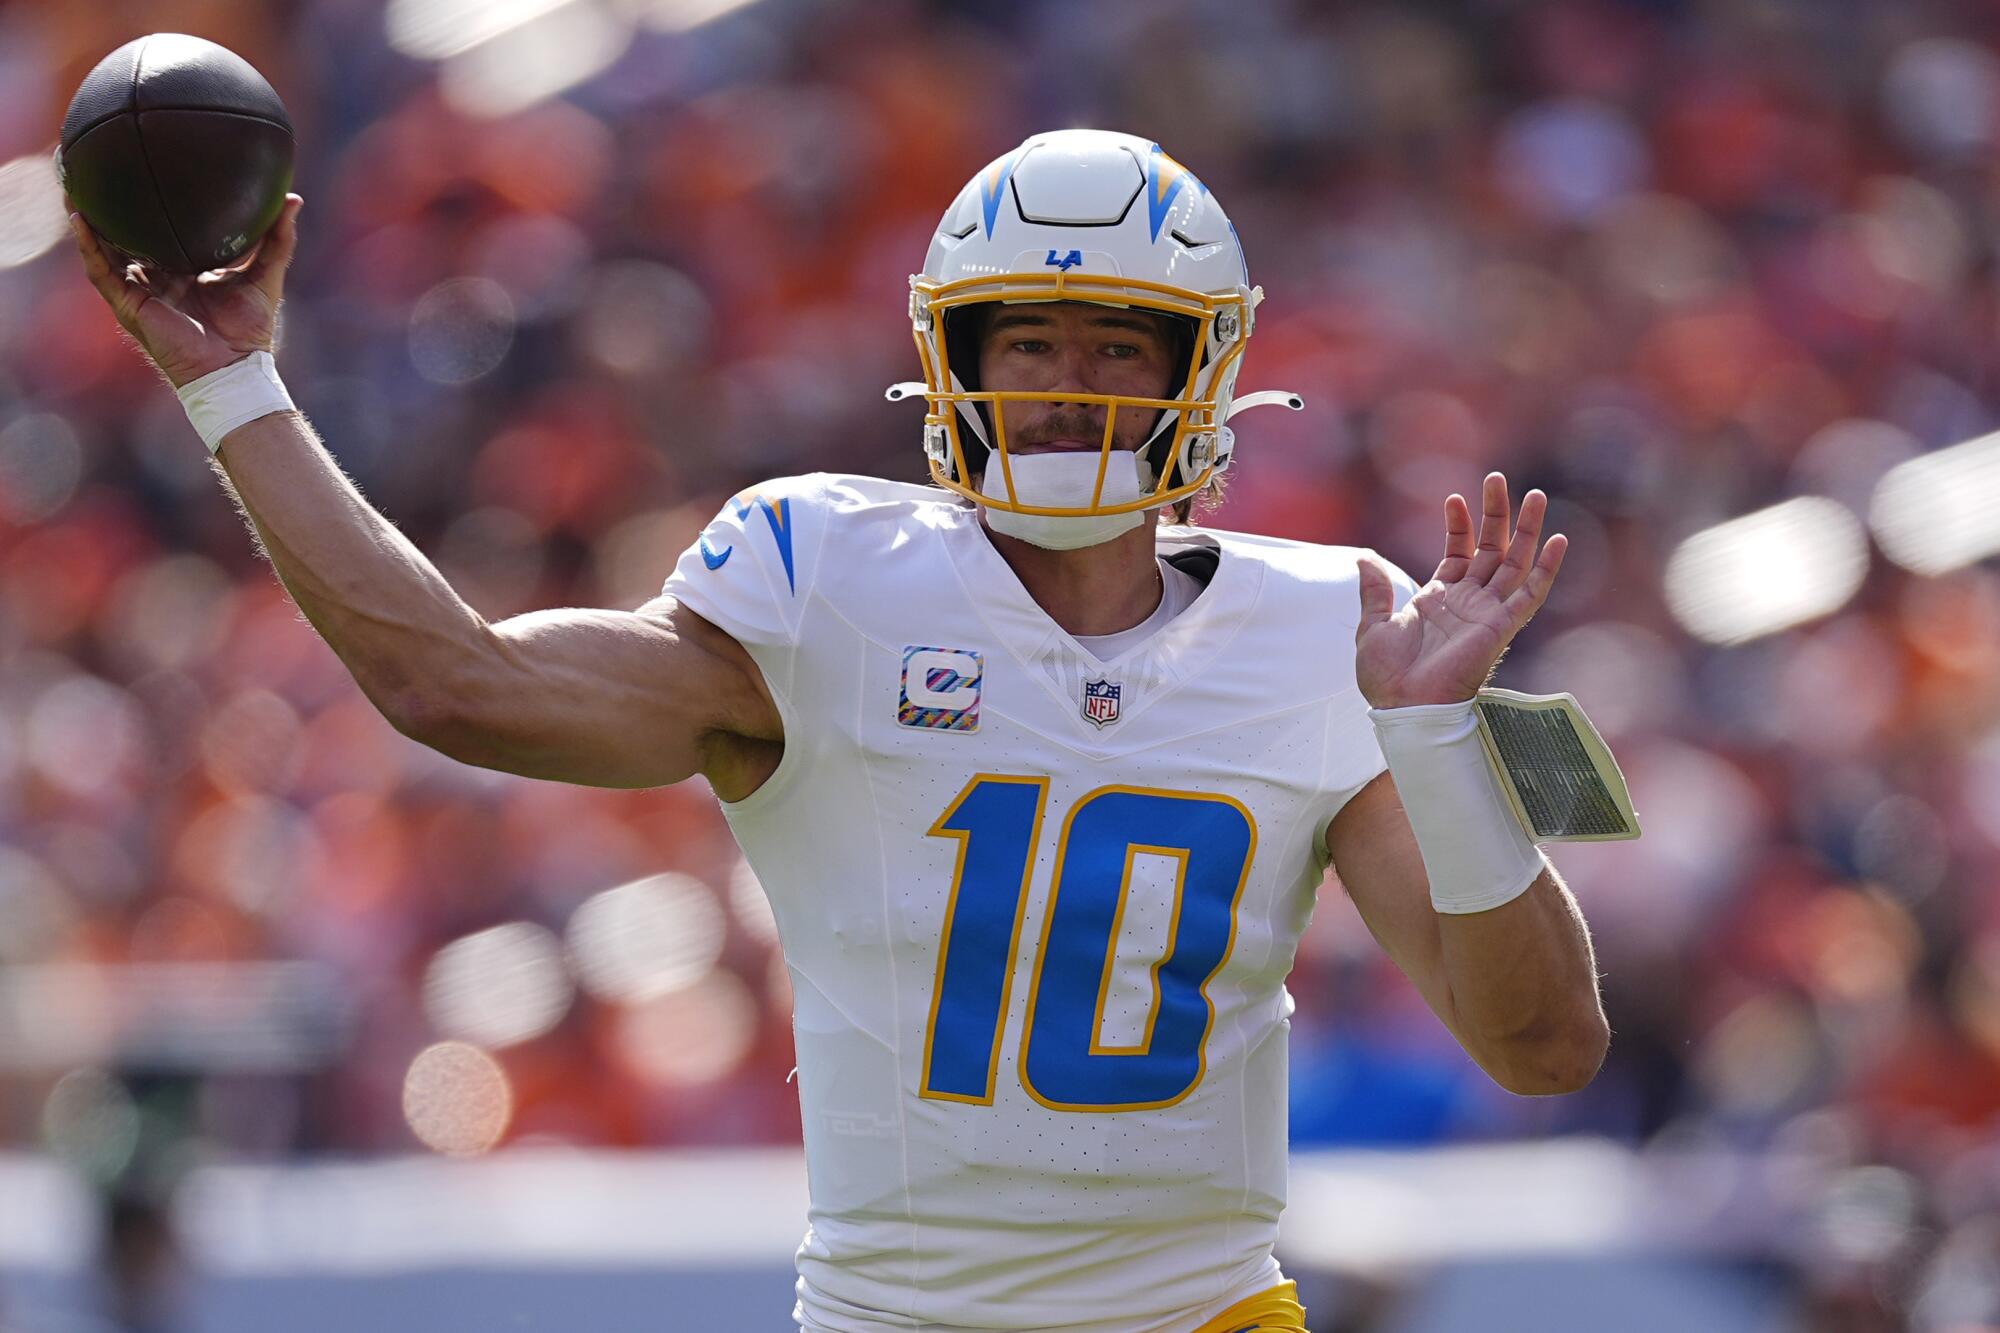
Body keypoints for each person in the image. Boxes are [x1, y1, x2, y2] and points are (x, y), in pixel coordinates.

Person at [71, 129, 1608, 1333]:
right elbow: (456, 683)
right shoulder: (827, 583)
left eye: (1118, 346)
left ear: (1200, 370)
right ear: (955, 361)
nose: (1067, 389)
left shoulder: (1332, 623)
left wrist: (1435, 746)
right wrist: (236, 391)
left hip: (1206, 1313)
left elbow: (1543, 1049)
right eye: (1028, 342)